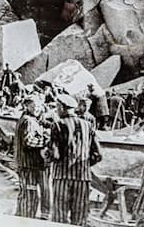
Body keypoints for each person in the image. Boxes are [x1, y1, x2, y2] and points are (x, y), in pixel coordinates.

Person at [49, 94, 101, 226]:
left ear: (62, 107)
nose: (56, 110)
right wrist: (85, 165)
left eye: (57, 107)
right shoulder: (88, 125)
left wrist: (46, 156)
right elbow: (98, 154)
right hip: (82, 178)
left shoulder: (58, 125)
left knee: (59, 217)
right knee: (80, 218)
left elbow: (54, 154)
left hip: (62, 176)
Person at [14, 97, 49, 219]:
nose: (37, 109)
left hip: (25, 162)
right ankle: (26, 218)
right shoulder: (29, 121)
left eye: (39, 107)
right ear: (27, 106)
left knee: (25, 192)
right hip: (28, 163)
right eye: (34, 107)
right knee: (30, 193)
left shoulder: (26, 118)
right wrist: (45, 141)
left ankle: (20, 215)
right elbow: (28, 141)